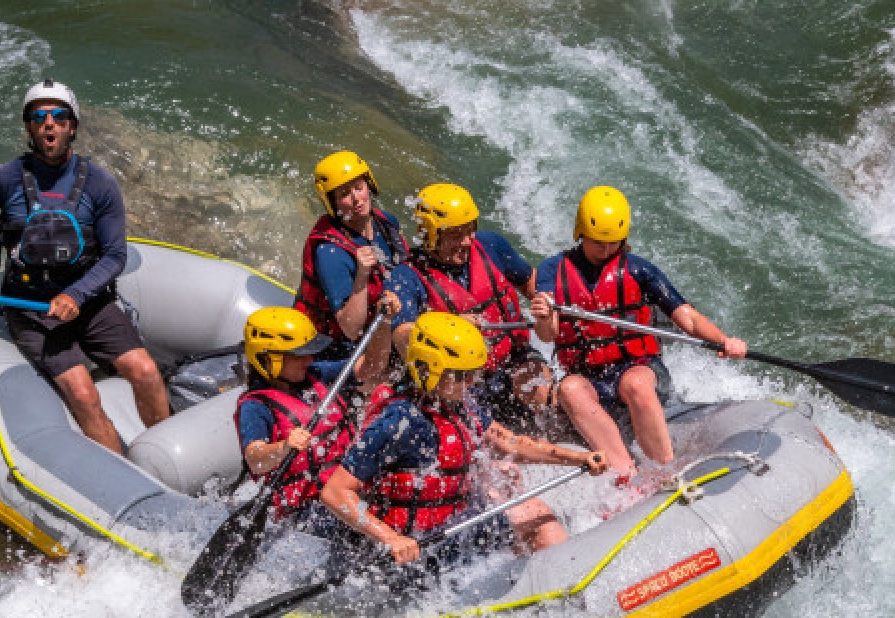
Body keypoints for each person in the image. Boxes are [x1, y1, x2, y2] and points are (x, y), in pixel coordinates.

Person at [0, 79, 168, 455]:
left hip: (88, 301)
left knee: (144, 370)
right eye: (39, 116)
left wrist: (76, 294)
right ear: (29, 127)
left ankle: (168, 453)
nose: (49, 124)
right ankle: (126, 473)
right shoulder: (5, 179)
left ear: (72, 127)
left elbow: (114, 256)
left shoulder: (100, 184)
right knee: (82, 392)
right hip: (31, 308)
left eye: (59, 117)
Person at [320, 312, 607, 569]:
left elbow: (510, 442)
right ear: (429, 368)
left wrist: (579, 458)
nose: (471, 382)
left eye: (473, 373)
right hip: (413, 550)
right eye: (461, 375)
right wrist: (391, 539)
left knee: (537, 514)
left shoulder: (460, 404)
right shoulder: (397, 421)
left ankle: (550, 591)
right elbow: (334, 493)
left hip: (454, 528)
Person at [530, 186, 747, 479]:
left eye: (613, 243)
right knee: (568, 388)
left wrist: (723, 340)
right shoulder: (552, 270)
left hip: (640, 368)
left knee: (635, 384)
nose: (606, 251)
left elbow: (688, 317)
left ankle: (667, 471)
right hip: (589, 377)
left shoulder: (640, 270)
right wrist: (543, 316)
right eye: (598, 243)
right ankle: (625, 474)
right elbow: (547, 334)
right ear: (580, 232)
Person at [386, 183, 554, 430]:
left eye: (470, 231)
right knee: (492, 438)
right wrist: (452, 327)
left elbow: (531, 281)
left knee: (544, 393)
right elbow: (402, 336)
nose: (467, 242)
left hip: (513, 359)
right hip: (459, 380)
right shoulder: (406, 276)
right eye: (456, 235)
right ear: (431, 234)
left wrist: (545, 304)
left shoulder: (491, 245)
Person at [235, 298, 398, 535]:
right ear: (268, 359)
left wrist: (384, 324)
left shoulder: (317, 374)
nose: (309, 360)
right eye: (299, 355)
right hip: (308, 509)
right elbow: (254, 459)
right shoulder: (256, 405)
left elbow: (372, 366)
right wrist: (283, 447)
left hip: (349, 486)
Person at [293, 150, 409, 357]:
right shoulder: (329, 253)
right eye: (345, 194)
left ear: (369, 185)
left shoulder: (386, 223)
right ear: (332, 202)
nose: (356, 199)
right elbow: (351, 329)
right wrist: (362, 275)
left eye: (359, 187)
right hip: (338, 347)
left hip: (381, 329)